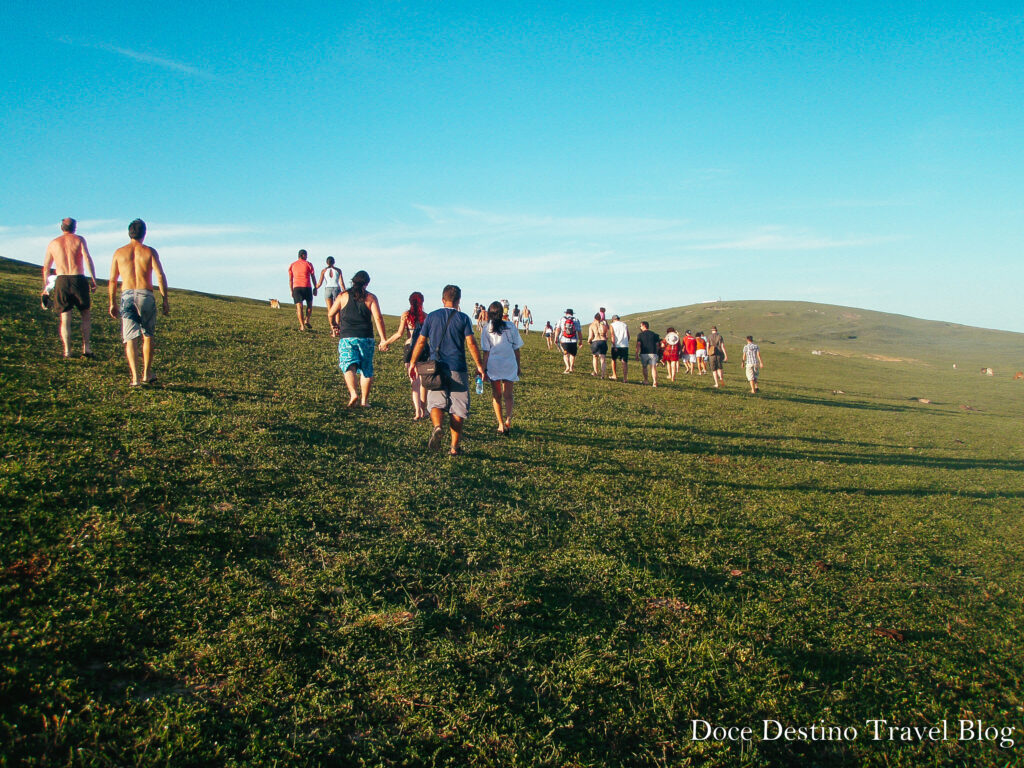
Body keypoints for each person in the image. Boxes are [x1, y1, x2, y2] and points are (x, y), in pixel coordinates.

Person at [406, 285, 485, 456]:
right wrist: (479, 365)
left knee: (435, 402)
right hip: (457, 368)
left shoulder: (432, 317)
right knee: (458, 408)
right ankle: (454, 448)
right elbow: (471, 343)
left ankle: (437, 427)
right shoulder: (463, 318)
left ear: (443, 300)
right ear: (458, 301)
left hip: (435, 368)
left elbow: (420, 342)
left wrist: (413, 362)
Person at [107, 219, 169, 386]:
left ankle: (135, 378)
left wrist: (112, 302)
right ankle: (146, 374)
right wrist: (165, 299)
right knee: (147, 336)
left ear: (129, 233)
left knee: (130, 338)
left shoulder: (119, 253)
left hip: (127, 295)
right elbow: (160, 275)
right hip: (145, 294)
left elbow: (113, 280)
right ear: (144, 233)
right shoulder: (149, 252)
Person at [328, 270, 387, 407]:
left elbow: (331, 313)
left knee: (349, 365)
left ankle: (353, 393)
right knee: (366, 369)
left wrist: (334, 326)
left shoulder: (343, 296)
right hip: (366, 337)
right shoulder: (371, 298)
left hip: (347, 337)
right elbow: (378, 318)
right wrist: (383, 339)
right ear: (366, 283)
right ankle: (364, 401)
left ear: (353, 281)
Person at [42, 218, 99, 358]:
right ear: (75, 227)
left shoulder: (53, 243)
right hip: (78, 278)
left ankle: (67, 350)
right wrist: (93, 278)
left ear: (61, 227)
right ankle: (86, 348)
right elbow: (87, 258)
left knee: (65, 316)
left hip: (62, 280)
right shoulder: (79, 240)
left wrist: (46, 288)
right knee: (85, 314)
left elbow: (46, 268)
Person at [381, 291, 429, 420]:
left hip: (409, 348)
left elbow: (399, 334)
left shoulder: (406, 316)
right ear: (422, 302)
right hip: (423, 349)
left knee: (414, 381)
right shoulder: (426, 317)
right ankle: (424, 410)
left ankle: (417, 411)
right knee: (423, 381)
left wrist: (385, 342)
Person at [481, 301, 524, 435]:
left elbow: (486, 352)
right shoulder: (511, 326)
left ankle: (500, 424)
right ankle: (508, 419)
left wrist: (482, 368)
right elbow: (516, 349)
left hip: (494, 365)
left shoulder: (487, 328)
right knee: (508, 395)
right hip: (509, 363)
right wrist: (518, 365)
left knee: (497, 395)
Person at [315, 257, 345, 337]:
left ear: (327, 262)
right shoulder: (338, 270)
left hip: (327, 289)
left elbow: (319, 283)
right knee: (337, 310)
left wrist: (315, 288)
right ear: (334, 262)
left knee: (330, 311)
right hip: (336, 289)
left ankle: (333, 330)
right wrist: (345, 291)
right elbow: (341, 283)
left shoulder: (323, 271)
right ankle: (338, 329)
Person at [288, 249, 316, 330]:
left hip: (296, 287)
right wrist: (315, 287)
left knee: (299, 307)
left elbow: (290, 279)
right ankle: (306, 320)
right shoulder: (309, 264)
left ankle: (302, 325)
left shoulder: (292, 265)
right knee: (309, 305)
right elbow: (313, 276)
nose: (307, 257)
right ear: (303, 255)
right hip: (307, 286)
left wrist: (291, 290)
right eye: (306, 255)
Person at [555, 309, 582, 373]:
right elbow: (579, 331)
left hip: (564, 340)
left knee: (565, 354)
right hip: (573, 340)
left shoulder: (562, 319)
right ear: (572, 314)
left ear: (566, 313)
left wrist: (556, 338)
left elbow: (558, 329)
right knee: (572, 354)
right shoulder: (576, 320)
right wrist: (580, 340)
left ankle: (567, 366)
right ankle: (571, 368)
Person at [635, 321, 661, 387]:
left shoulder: (640, 335)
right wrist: (657, 352)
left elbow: (638, 344)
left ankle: (646, 380)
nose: (640, 327)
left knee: (644, 367)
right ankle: (655, 382)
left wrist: (636, 353)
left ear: (644, 326)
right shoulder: (654, 334)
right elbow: (658, 345)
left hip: (644, 353)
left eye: (640, 326)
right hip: (653, 353)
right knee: (653, 368)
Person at [587, 312, 610, 378]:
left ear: (594, 318)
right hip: (603, 341)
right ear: (600, 318)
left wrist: (589, 341)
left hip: (595, 341)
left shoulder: (592, 325)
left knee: (595, 357)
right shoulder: (603, 325)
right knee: (602, 358)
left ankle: (596, 371)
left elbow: (590, 336)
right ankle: (603, 374)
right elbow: (606, 335)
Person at [609, 314, 629, 382]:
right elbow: (628, 336)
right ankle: (625, 378)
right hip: (624, 345)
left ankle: (614, 375)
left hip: (616, 345)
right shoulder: (625, 325)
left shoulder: (612, 325)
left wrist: (614, 344)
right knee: (624, 362)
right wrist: (626, 342)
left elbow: (612, 335)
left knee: (613, 360)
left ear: (613, 319)